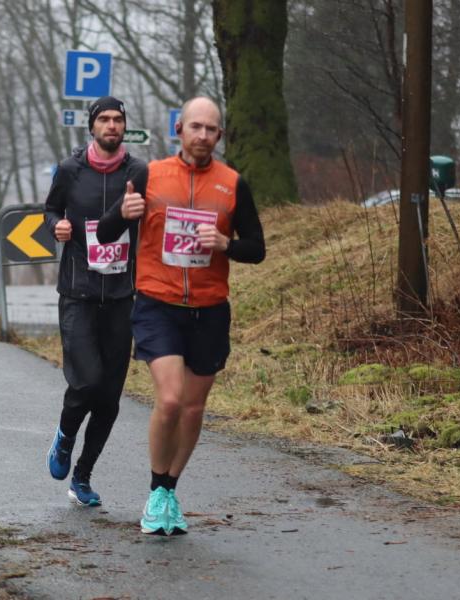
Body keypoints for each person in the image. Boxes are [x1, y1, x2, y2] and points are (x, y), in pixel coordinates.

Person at [98, 97, 266, 535]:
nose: (203, 136)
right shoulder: (148, 175)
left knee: (192, 409)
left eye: (211, 129)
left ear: (219, 136)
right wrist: (122, 212)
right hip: (158, 304)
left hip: (209, 310)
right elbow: (106, 231)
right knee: (170, 399)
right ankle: (155, 492)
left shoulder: (232, 183)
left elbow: (257, 249)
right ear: (179, 129)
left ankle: (170, 489)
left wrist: (226, 244)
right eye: (195, 127)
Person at [43, 96, 147, 507]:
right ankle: (65, 436)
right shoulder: (70, 171)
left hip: (121, 296)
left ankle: (82, 477)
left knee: (109, 396)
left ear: (124, 126)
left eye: (118, 119)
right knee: (85, 382)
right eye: (103, 119)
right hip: (78, 293)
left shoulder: (138, 172)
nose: (111, 126)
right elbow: (50, 210)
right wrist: (58, 226)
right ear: (91, 127)